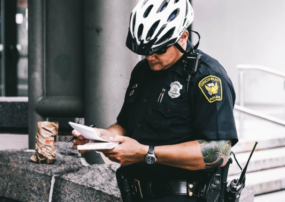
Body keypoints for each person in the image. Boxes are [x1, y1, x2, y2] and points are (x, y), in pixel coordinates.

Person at [72, 0, 238, 201]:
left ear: (183, 37)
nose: (150, 57)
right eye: (145, 50)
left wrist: (145, 153)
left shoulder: (207, 77)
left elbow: (219, 152)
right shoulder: (143, 71)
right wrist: (102, 136)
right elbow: (125, 125)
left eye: (159, 50)